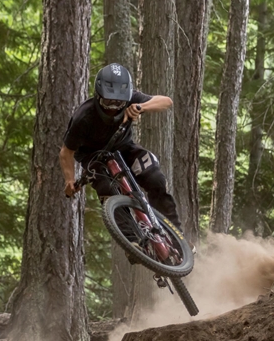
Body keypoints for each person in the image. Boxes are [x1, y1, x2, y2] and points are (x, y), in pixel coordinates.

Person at [59, 62, 182, 231]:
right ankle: (132, 241)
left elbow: (166, 102)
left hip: (124, 148)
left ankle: (175, 233)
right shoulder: (84, 116)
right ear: (98, 96)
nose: (113, 108)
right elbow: (66, 151)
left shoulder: (132, 99)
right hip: (93, 157)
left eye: (119, 103)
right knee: (107, 190)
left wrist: (140, 107)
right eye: (108, 102)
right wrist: (69, 180)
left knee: (155, 178)